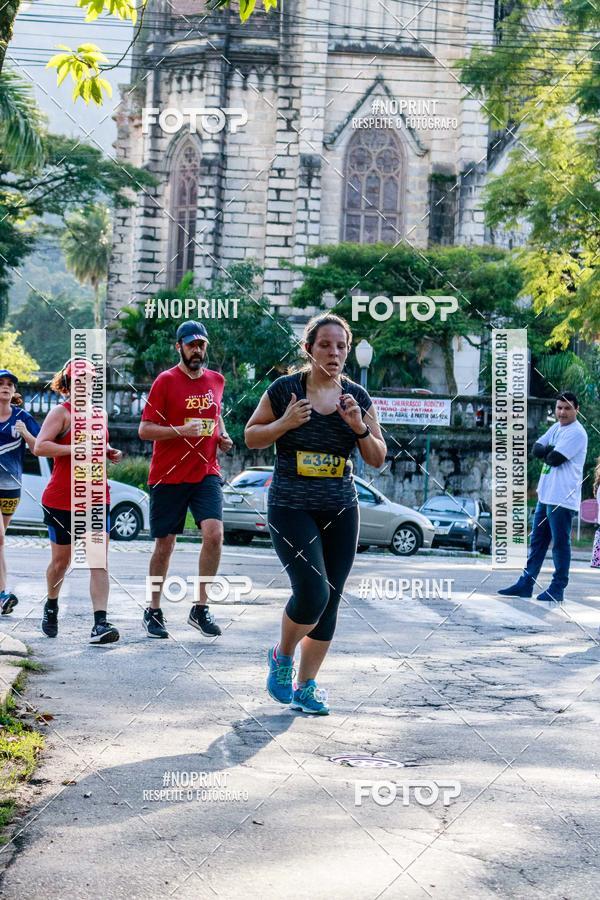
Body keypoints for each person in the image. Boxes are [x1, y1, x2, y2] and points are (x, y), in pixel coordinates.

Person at [245, 313, 387, 715]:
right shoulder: (285, 389)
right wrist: (285, 423)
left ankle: (307, 686)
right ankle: (282, 655)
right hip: (291, 505)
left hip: (340, 507)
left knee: (332, 599)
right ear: (308, 349)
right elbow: (251, 436)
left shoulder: (356, 397)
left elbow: (378, 457)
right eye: (325, 344)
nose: (334, 352)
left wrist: (359, 427)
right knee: (313, 592)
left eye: (341, 346)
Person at [138, 320, 233, 639]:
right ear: (178, 347)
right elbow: (145, 429)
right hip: (168, 474)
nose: (197, 349)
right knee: (165, 545)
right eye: (191, 344)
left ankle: (200, 607)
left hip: (206, 471)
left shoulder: (216, 380)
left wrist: (223, 435)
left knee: (214, 534)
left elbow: (215, 414)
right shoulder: (165, 382)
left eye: (201, 344)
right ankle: (153, 609)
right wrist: (180, 431)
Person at [34, 359, 122, 643]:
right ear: (69, 383)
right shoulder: (62, 412)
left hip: (96, 497)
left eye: (90, 380)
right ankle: (51, 605)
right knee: (62, 561)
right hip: (62, 498)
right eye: (79, 380)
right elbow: (40, 446)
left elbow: (98, 445)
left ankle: (100, 624)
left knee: (99, 561)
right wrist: (76, 447)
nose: (85, 384)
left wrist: (109, 451)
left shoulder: (100, 415)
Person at [498, 391, 588, 603]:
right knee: (537, 542)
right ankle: (526, 583)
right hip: (546, 495)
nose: (562, 412)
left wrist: (548, 451)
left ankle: (558, 588)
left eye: (567, 408)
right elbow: (536, 449)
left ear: (577, 409)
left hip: (562, 498)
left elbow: (555, 459)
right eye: (559, 408)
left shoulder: (577, 433)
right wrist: (547, 451)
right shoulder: (556, 427)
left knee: (560, 544)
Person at [0, 369, 40, 615]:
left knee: (0, 543)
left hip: (11, 489)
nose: (4, 387)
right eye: (0, 383)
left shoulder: (23, 417)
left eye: (9, 384)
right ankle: (4, 592)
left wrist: (25, 433)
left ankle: (2, 597)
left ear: (14, 391)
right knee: (0, 538)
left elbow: (40, 448)